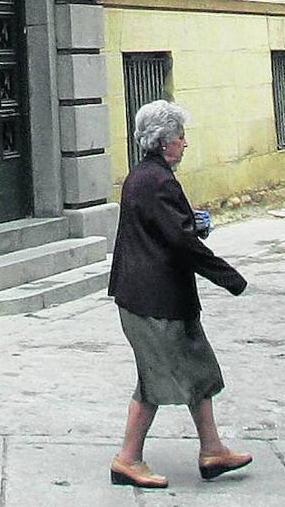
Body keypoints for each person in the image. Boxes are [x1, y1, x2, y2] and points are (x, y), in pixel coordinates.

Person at [108, 100, 252, 489]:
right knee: (154, 382)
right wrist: (230, 278)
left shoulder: (144, 177)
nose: (185, 144)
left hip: (153, 298)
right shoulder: (157, 181)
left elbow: (168, 230)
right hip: (153, 302)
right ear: (164, 141)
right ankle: (127, 460)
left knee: (199, 370)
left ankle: (212, 449)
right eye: (180, 137)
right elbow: (180, 242)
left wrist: (190, 227)